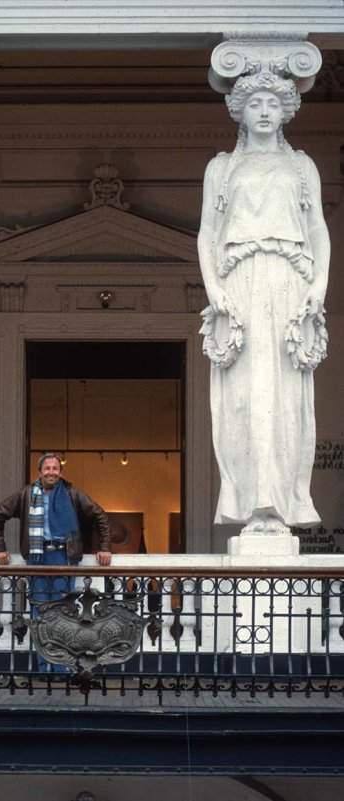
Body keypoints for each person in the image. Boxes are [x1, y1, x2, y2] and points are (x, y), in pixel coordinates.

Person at [197, 69, 330, 532]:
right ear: (241, 111)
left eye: (273, 104)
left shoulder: (301, 167)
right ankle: (251, 501)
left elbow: (318, 232)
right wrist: (214, 289)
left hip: (290, 282)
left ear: (286, 111)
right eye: (256, 104)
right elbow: (207, 234)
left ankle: (284, 503)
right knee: (244, 395)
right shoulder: (222, 168)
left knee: (287, 395)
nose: (265, 112)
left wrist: (319, 286)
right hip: (238, 283)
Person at [0, 453, 112, 672]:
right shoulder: (27, 494)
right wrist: (0, 548)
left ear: (60, 472)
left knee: (63, 611)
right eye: (47, 468)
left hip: (63, 557)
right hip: (37, 557)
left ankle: (61, 668)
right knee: (40, 612)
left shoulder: (72, 494)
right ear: (40, 471)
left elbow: (99, 515)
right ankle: (44, 667)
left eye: (55, 468)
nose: (51, 472)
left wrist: (104, 547)